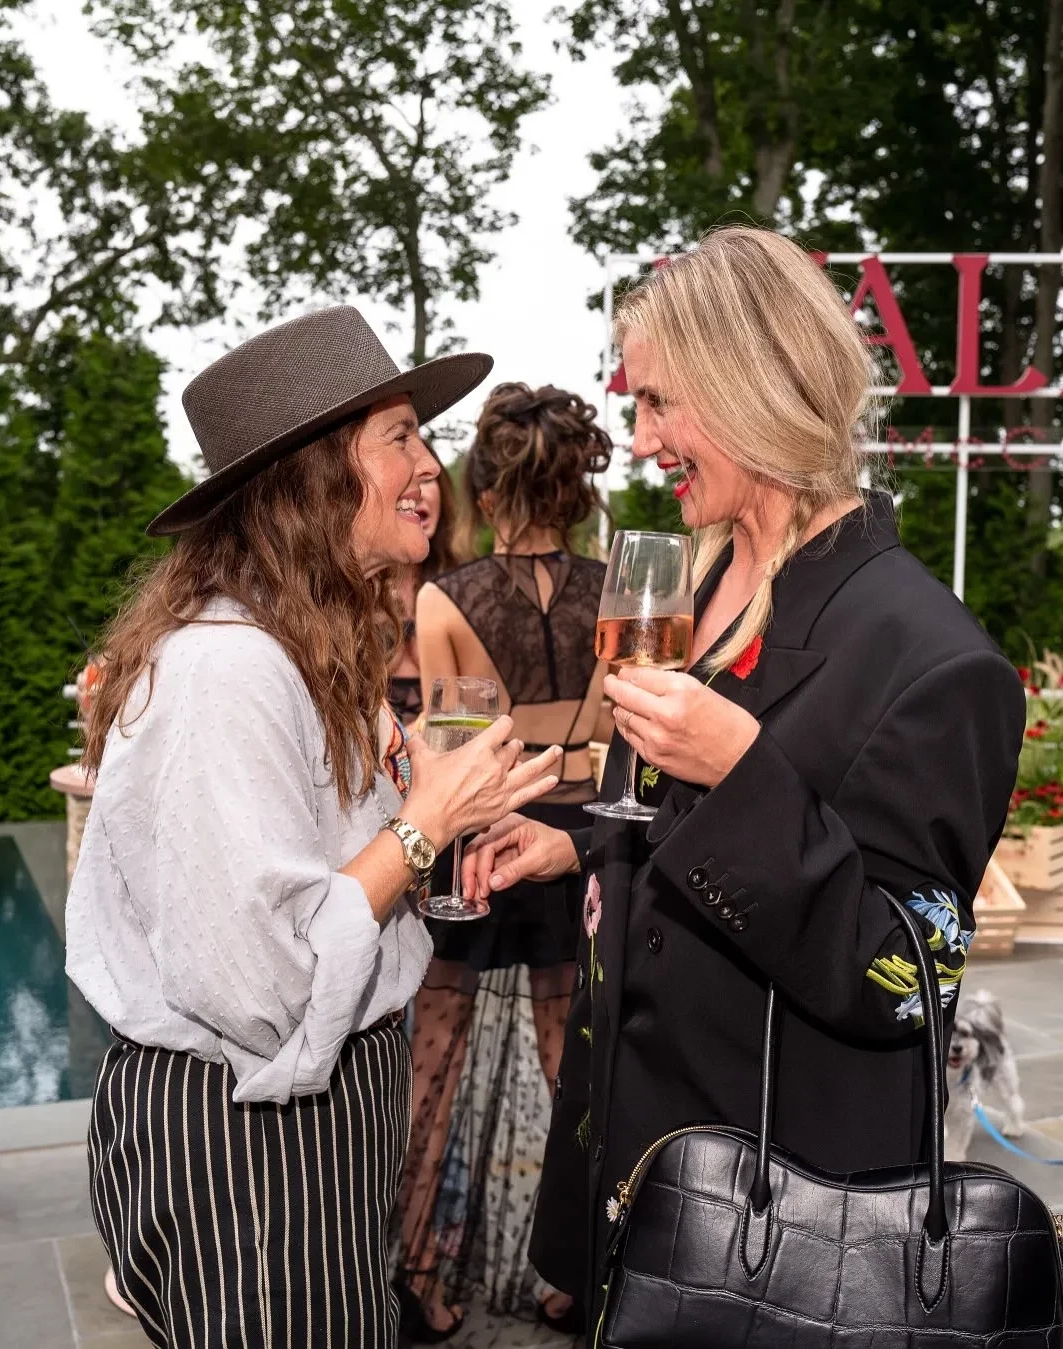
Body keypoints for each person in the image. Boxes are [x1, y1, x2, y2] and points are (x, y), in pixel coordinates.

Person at [461, 227, 1026, 1336]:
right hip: (633, 1172)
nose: (639, 439)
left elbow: (903, 977)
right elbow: (672, 816)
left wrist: (742, 772)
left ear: (752, 385)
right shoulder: (703, 580)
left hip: (774, 1231)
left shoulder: (936, 660)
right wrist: (580, 846)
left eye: (660, 403)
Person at [64, 306, 563, 1349]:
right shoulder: (227, 668)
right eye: (401, 437)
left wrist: (447, 814)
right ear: (316, 476)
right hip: (252, 1136)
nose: (431, 466)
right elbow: (262, 982)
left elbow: (345, 859)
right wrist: (422, 827)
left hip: (318, 1113)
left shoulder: (309, 650)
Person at [394, 382, 612, 1340]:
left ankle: (420, 1278)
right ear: (573, 489)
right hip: (575, 842)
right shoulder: (620, 593)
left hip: (485, 844)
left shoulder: (446, 597)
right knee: (573, 1064)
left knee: (433, 1062)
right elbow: (617, 743)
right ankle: (582, 1275)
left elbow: (457, 753)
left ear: (487, 491)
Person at [388, 448, 462, 727]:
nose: (418, 492)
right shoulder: (353, 589)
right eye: (407, 480)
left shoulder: (464, 590)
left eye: (427, 480)